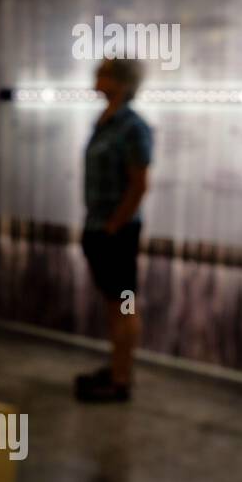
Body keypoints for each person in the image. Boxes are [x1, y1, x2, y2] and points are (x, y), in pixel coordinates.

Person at [76, 57, 152, 402]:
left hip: (115, 233)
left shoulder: (133, 127)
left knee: (124, 305)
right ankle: (116, 369)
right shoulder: (104, 123)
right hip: (98, 228)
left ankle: (121, 381)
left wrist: (114, 226)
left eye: (103, 74)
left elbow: (139, 184)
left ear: (120, 82)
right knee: (113, 305)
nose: (96, 78)